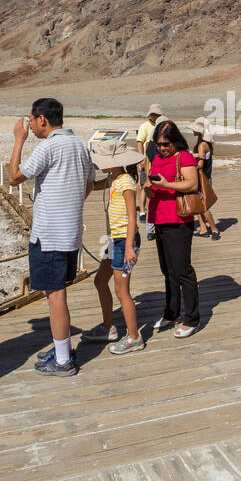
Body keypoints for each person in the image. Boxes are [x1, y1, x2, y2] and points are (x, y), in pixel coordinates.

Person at [8, 97, 96, 376]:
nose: (30, 126)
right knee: (54, 291)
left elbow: (14, 177)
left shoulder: (47, 146)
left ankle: (62, 362)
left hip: (48, 236)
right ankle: (61, 348)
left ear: (42, 119)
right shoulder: (80, 145)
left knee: (55, 297)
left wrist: (18, 140)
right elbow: (90, 184)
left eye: (31, 121)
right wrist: (70, 205)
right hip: (69, 234)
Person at [87, 139, 144, 355]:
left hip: (125, 242)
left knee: (122, 291)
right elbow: (94, 186)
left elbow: (132, 218)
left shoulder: (126, 183)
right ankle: (108, 327)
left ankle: (134, 337)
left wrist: (130, 248)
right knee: (100, 281)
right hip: (114, 241)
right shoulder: (114, 178)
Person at [145, 120, 201, 338]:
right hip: (160, 217)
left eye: (166, 144)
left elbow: (192, 184)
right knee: (167, 270)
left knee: (182, 270)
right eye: (158, 144)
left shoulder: (184, 157)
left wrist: (165, 185)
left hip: (178, 219)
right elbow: (155, 183)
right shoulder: (157, 158)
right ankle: (171, 312)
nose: (162, 148)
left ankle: (192, 318)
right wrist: (150, 190)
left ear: (176, 141)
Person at [136, 104, 163, 239]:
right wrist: (141, 159)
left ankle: (152, 224)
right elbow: (140, 142)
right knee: (143, 186)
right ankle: (142, 211)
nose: (155, 116)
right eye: (154, 114)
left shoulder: (160, 125)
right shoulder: (145, 126)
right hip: (147, 161)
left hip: (155, 162)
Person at [192, 116, 221, 238]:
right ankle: (203, 229)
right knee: (199, 205)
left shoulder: (201, 145)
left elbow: (200, 164)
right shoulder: (205, 143)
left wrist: (190, 160)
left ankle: (214, 230)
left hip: (202, 178)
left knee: (203, 207)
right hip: (206, 177)